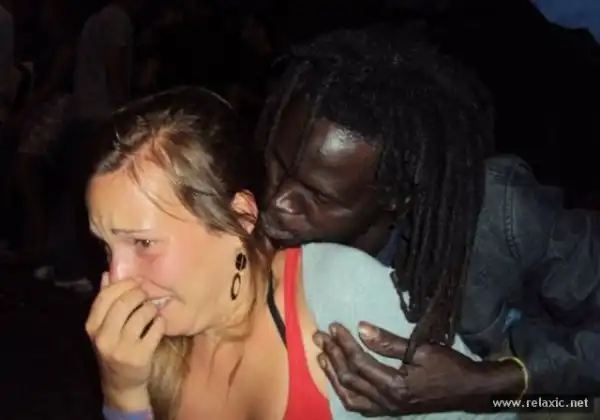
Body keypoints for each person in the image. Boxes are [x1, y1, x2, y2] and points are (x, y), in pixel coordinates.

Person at [85, 86, 514, 420]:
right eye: (106, 245)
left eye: (143, 243)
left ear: (240, 218)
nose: (116, 278)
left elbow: (503, 410)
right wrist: (123, 393)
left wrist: (509, 383)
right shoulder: (144, 351)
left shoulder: (336, 290)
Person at [257, 25, 600, 416]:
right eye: (276, 165)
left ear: (397, 198)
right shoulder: (243, 217)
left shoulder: (499, 213)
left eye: (316, 196)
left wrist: (492, 385)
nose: (276, 202)